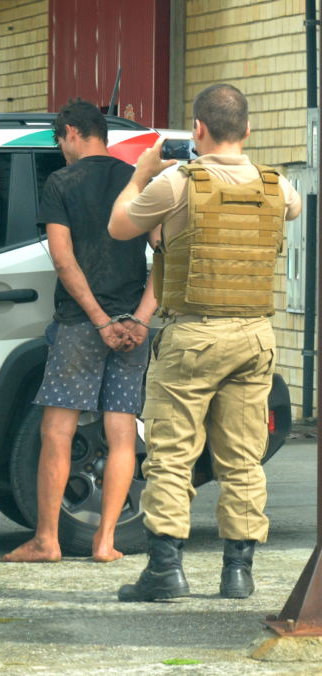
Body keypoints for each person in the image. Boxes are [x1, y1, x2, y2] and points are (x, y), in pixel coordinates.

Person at [108, 84, 301, 601]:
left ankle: (165, 571)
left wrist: (139, 174)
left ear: (198, 129)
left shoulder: (177, 181)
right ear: (249, 129)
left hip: (192, 335)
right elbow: (291, 215)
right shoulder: (279, 187)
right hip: (255, 335)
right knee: (243, 457)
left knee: (171, 455)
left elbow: (120, 225)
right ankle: (238, 572)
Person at [2, 99, 157, 565]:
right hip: (132, 327)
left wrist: (98, 319)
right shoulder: (136, 179)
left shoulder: (61, 182)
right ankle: (105, 541)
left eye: (58, 140)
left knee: (57, 430)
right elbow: (168, 255)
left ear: (70, 132)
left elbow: (63, 259)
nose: (60, 149)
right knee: (123, 430)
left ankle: (47, 540)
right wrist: (139, 320)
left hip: (81, 325)